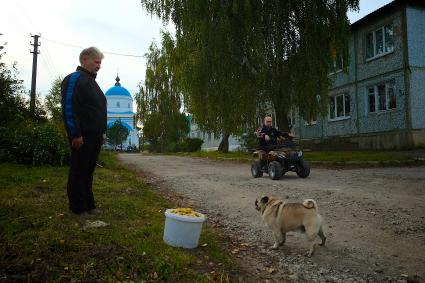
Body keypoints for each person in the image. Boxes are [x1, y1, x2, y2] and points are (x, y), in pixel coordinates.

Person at [61, 46, 107, 216]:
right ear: (84, 59)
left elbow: (97, 110)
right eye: (96, 62)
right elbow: (69, 108)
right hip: (82, 136)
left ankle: (89, 204)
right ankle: (78, 207)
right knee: (79, 170)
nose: (99, 66)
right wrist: (75, 134)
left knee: (88, 171)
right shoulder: (74, 79)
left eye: (100, 63)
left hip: (95, 136)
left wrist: (101, 132)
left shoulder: (92, 82)